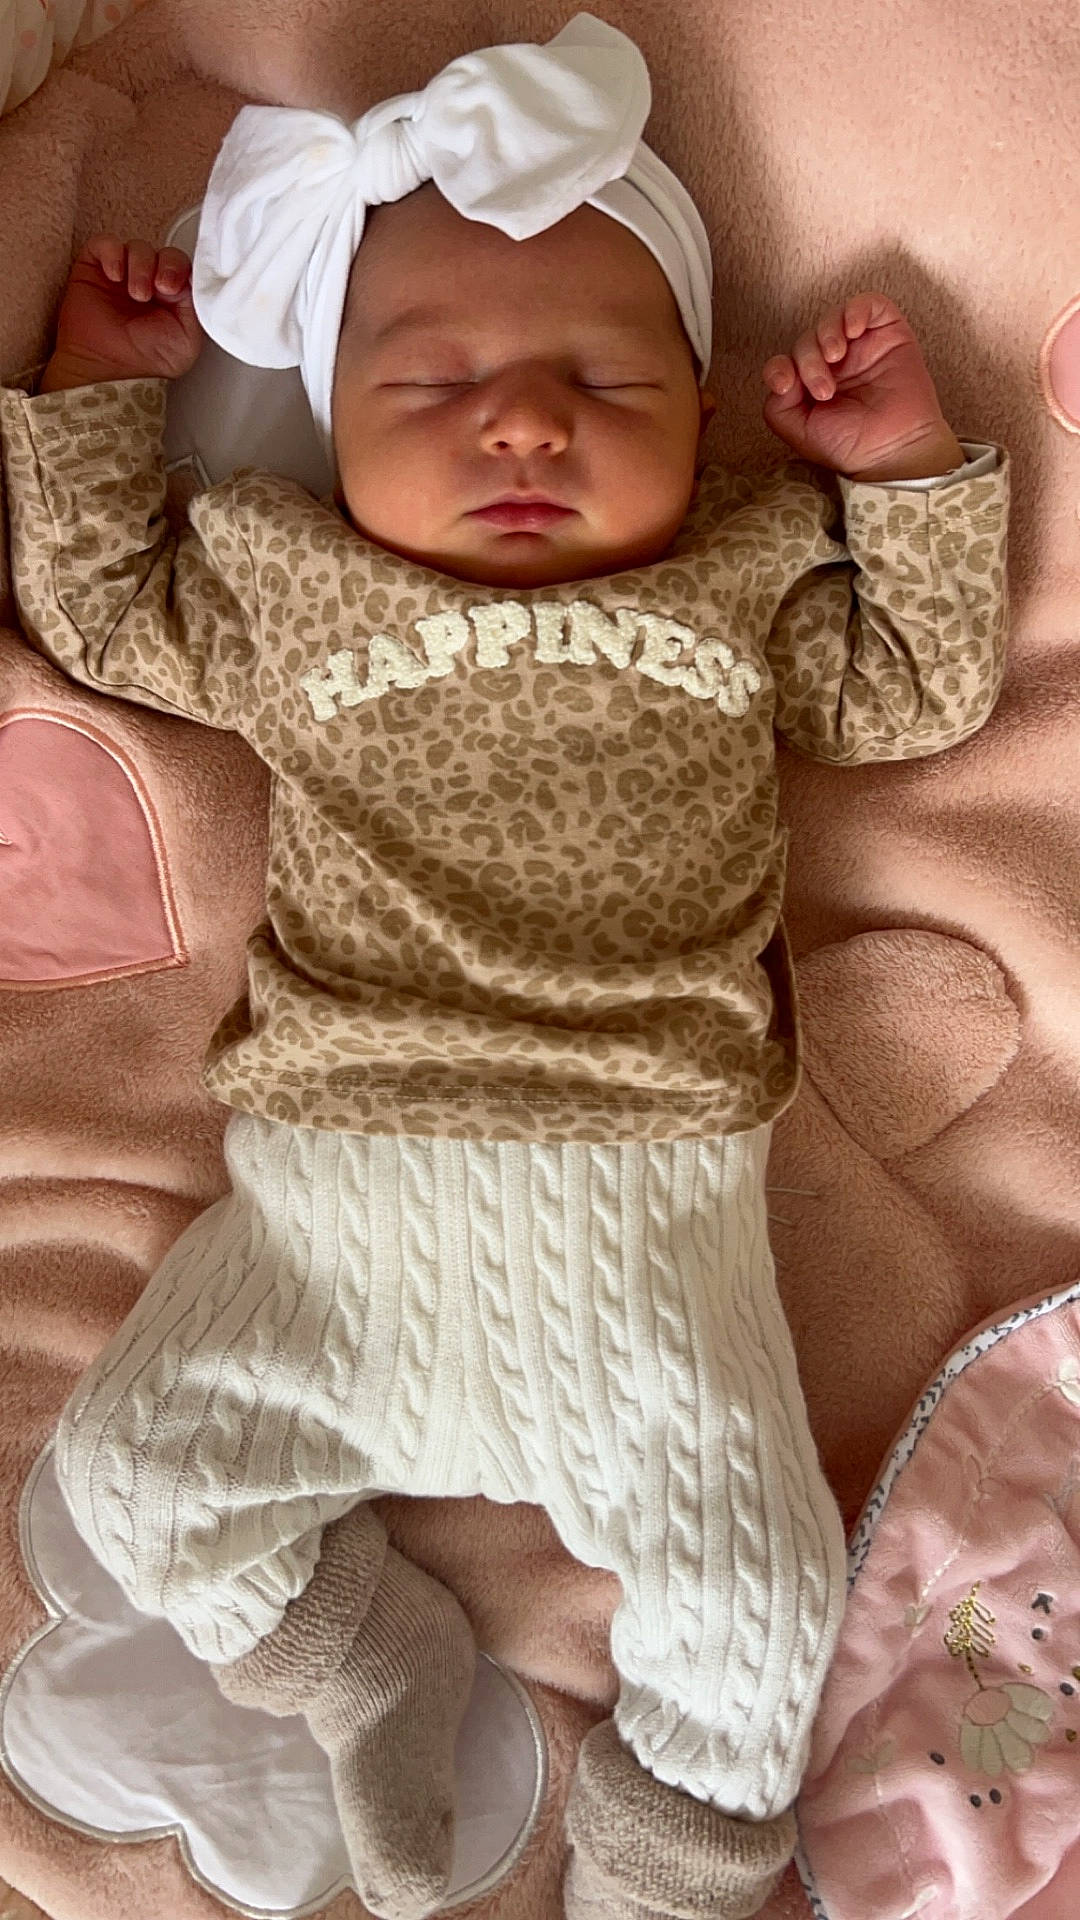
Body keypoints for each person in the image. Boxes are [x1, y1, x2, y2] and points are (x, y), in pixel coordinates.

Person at [0, 13, 1009, 1919]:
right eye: (433, 375)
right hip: (325, 1214)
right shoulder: (288, 580)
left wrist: (906, 471)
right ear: (328, 407)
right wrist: (95, 393)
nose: (522, 422)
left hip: (651, 1248)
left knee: (769, 1599)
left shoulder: (735, 583)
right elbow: (104, 609)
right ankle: (364, 1656)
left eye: (602, 378)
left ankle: (655, 1873)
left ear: (704, 415)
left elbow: (915, 691)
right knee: (138, 1483)